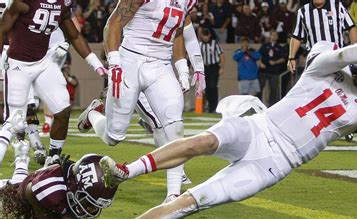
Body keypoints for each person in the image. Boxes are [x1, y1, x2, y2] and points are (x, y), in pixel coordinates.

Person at [71, 39, 357, 219]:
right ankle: (124, 170)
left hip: (276, 164)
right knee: (202, 141)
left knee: (196, 200)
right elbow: (347, 52)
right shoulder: (326, 61)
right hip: (260, 127)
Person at [77, 0, 206, 203]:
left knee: (174, 126)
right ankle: (93, 113)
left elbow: (179, 31)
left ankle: (172, 195)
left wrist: (186, 68)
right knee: (114, 136)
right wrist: (115, 63)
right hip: (130, 61)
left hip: (160, 65)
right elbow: (114, 23)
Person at [0, 0, 107, 167]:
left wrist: (96, 63)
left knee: (63, 109)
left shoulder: (62, 4)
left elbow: (74, 35)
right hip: (17, 65)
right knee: (14, 122)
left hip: (42, 62)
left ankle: (54, 157)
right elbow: (1, 29)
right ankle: (21, 165)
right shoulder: (22, 2)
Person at [0, 143, 118, 219]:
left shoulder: (73, 178)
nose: (92, 209)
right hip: (8, 200)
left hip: (26, 185)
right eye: (89, 203)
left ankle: (22, 157)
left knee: (19, 182)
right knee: (14, 188)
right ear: (76, 186)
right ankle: (22, 157)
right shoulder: (51, 190)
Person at [288, 0, 357, 73]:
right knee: (315, 84)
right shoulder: (303, 11)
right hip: (315, 59)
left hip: (337, 57)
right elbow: (296, 37)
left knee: (341, 82)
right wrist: (291, 58)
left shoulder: (337, 6)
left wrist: (354, 49)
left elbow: (352, 28)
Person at [259, 30, 287, 106]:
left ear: (277, 37)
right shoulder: (264, 46)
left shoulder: (280, 47)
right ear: (270, 36)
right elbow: (259, 56)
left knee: (273, 90)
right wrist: (260, 63)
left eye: (276, 35)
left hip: (274, 72)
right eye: (273, 35)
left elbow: (283, 59)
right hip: (263, 71)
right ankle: (258, 106)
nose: (274, 36)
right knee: (260, 89)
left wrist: (275, 62)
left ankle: (271, 106)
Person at [200, 29, 225, 113]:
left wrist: (222, 67)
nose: (205, 37)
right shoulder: (200, 45)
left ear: (209, 35)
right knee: (206, 88)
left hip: (213, 67)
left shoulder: (214, 43)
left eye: (207, 35)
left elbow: (221, 55)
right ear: (201, 35)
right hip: (204, 68)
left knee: (213, 87)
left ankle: (214, 107)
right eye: (204, 35)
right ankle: (210, 106)